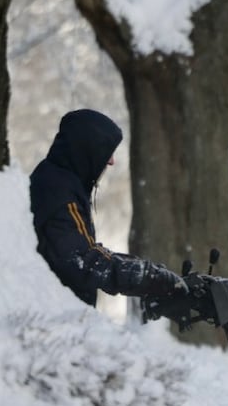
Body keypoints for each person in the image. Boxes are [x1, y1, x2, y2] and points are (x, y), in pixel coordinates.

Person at [29, 109, 185, 306]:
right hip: (53, 319)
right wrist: (147, 278)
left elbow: (85, 251)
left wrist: (150, 271)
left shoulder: (62, 182)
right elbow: (83, 261)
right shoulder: (58, 191)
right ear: (88, 149)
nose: (111, 161)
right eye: (106, 151)